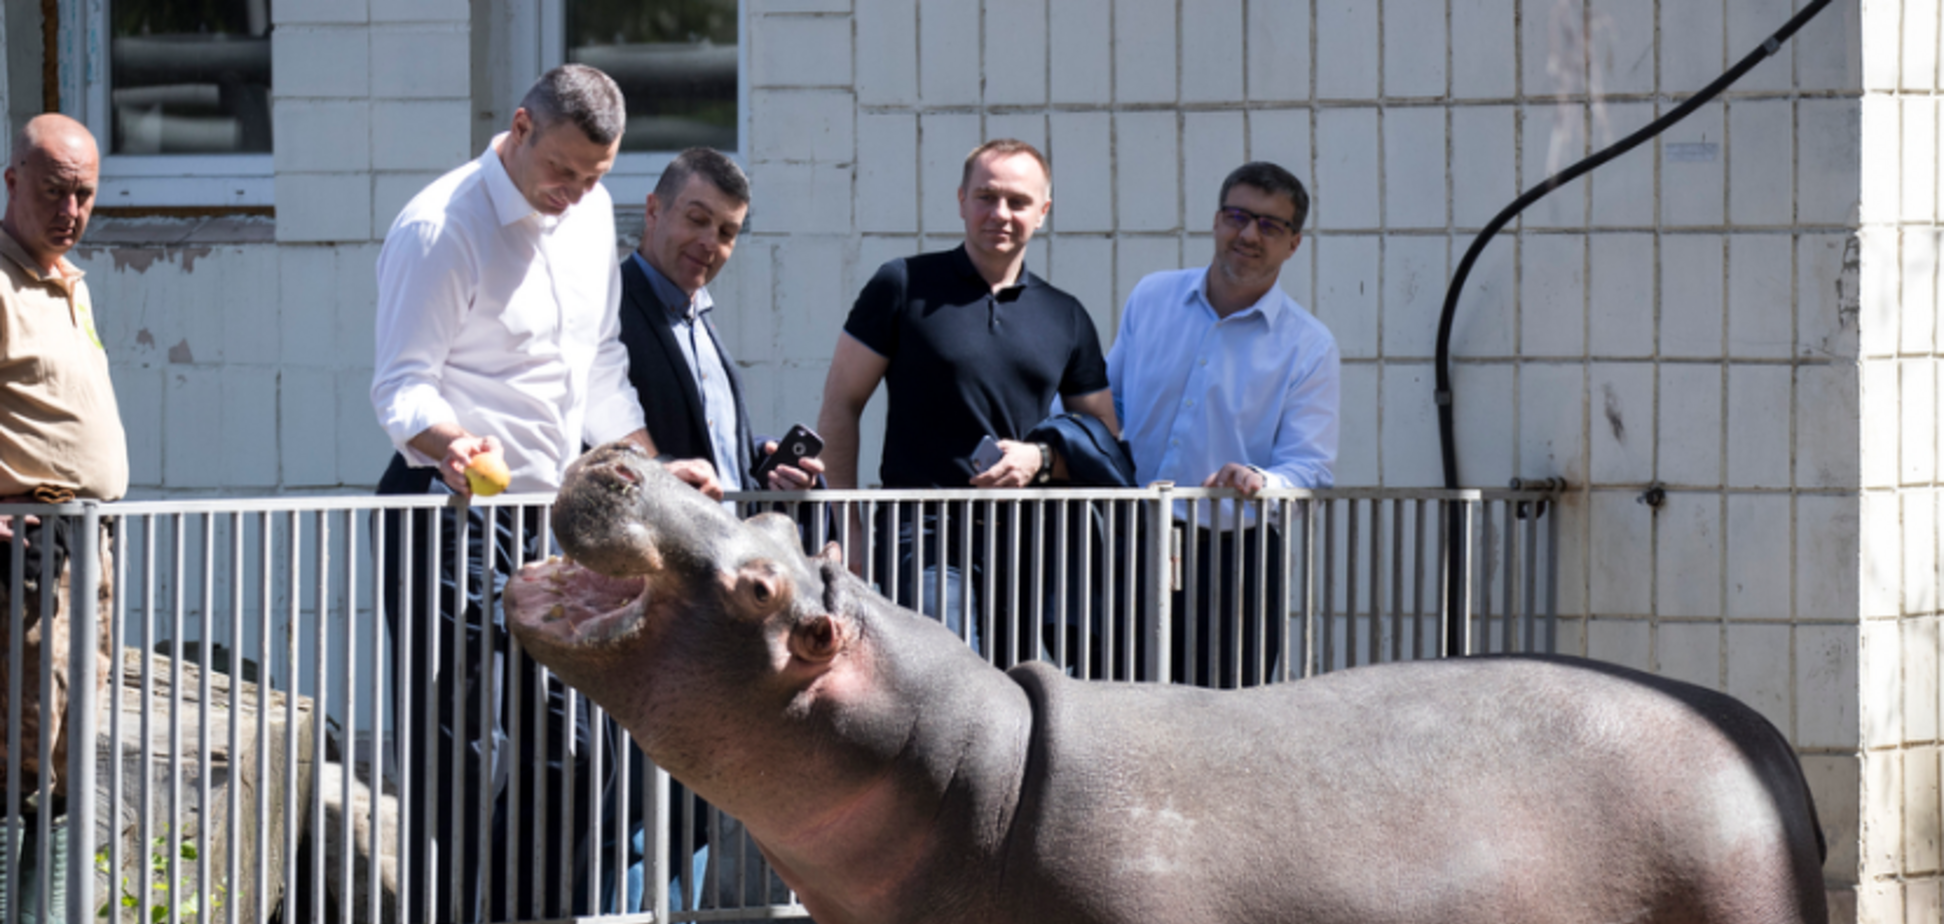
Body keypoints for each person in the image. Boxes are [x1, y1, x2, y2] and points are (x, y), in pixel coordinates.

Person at [369, 64, 716, 922]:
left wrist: (648, 464)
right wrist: (453, 442)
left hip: (549, 518)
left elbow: (600, 364)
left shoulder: (591, 211)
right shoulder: (439, 228)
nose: (573, 192)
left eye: (595, 176)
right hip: (444, 514)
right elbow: (401, 388)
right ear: (518, 128)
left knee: (574, 749)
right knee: (461, 748)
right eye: (562, 170)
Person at [613, 146, 819, 915]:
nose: (710, 243)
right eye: (697, 219)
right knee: (636, 803)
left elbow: (703, 443)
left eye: (728, 231)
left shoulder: (698, 317)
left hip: (707, 597)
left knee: (696, 799)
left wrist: (761, 463)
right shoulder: (614, 306)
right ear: (654, 211)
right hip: (650, 591)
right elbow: (604, 437)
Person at [815, 139, 1115, 661]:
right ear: (960, 200)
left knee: (1026, 702)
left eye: (1018, 201)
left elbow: (1102, 439)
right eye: (986, 196)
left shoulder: (1066, 315)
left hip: (1028, 544)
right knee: (946, 693)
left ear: (1043, 213)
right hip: (923, 537)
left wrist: (1040, 459)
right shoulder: (903, 285)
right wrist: (851, 530)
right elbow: (840, 405)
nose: (1000, 213)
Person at [1108, 161, 1338, 686]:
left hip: (1234, 559)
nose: (1249, 234)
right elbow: (1108, 402)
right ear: (1216, 221)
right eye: (1238, 216)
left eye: (1270, 225)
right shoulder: (1152, 297)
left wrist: (1261, 480)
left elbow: (1311, 466)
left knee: (1226, 720)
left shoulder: (1309, 345)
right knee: (1117, 704)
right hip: (1131, 546)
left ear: (1293, 244)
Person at [0, 113, 125, 922]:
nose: (70, 210)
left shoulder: (66, 280)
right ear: (11, 182)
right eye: (54, 191)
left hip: (88, 543)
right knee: (20, 745)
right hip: (28, 547)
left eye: (83, 195)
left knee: (70, 746)